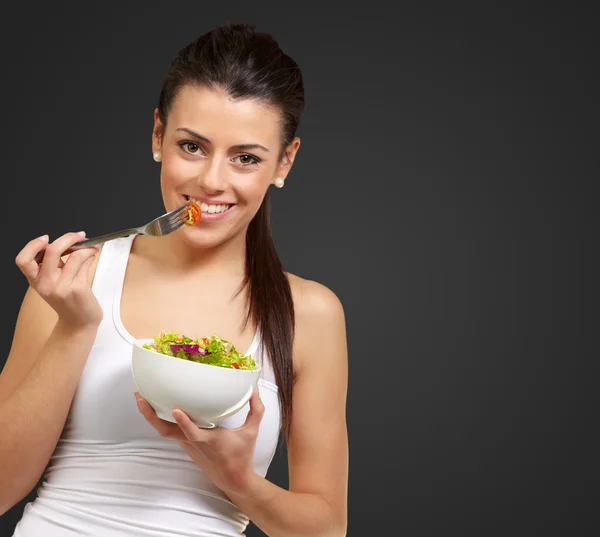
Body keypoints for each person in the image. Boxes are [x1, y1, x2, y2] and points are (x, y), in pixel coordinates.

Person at [0, 23, 348, 537]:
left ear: (285, 161)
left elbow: (326, 529)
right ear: (159, 135)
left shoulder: (310, 314)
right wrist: (74, 329)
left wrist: (237, 479)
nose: (211, 181)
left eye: (246, 158)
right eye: (192, 146)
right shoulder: (76, 278)